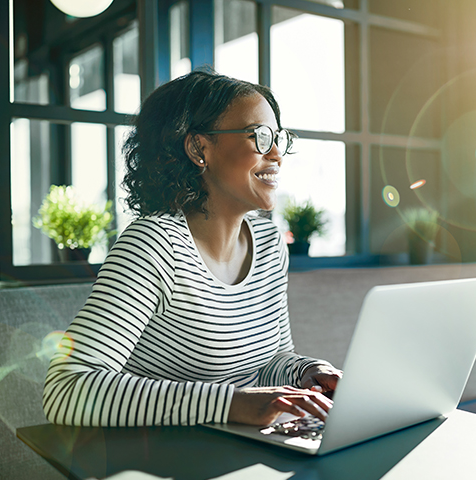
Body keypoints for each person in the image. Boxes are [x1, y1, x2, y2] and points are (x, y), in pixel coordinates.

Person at [42, 70, 342, 428]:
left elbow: (269, 359)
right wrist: (231, 404)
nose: (276, 154)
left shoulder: (269, 242)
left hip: (243, 449)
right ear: (199, 149)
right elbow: (67, 388)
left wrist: (307, 372)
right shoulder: (152, 246)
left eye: (279, 138)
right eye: (260, 137)